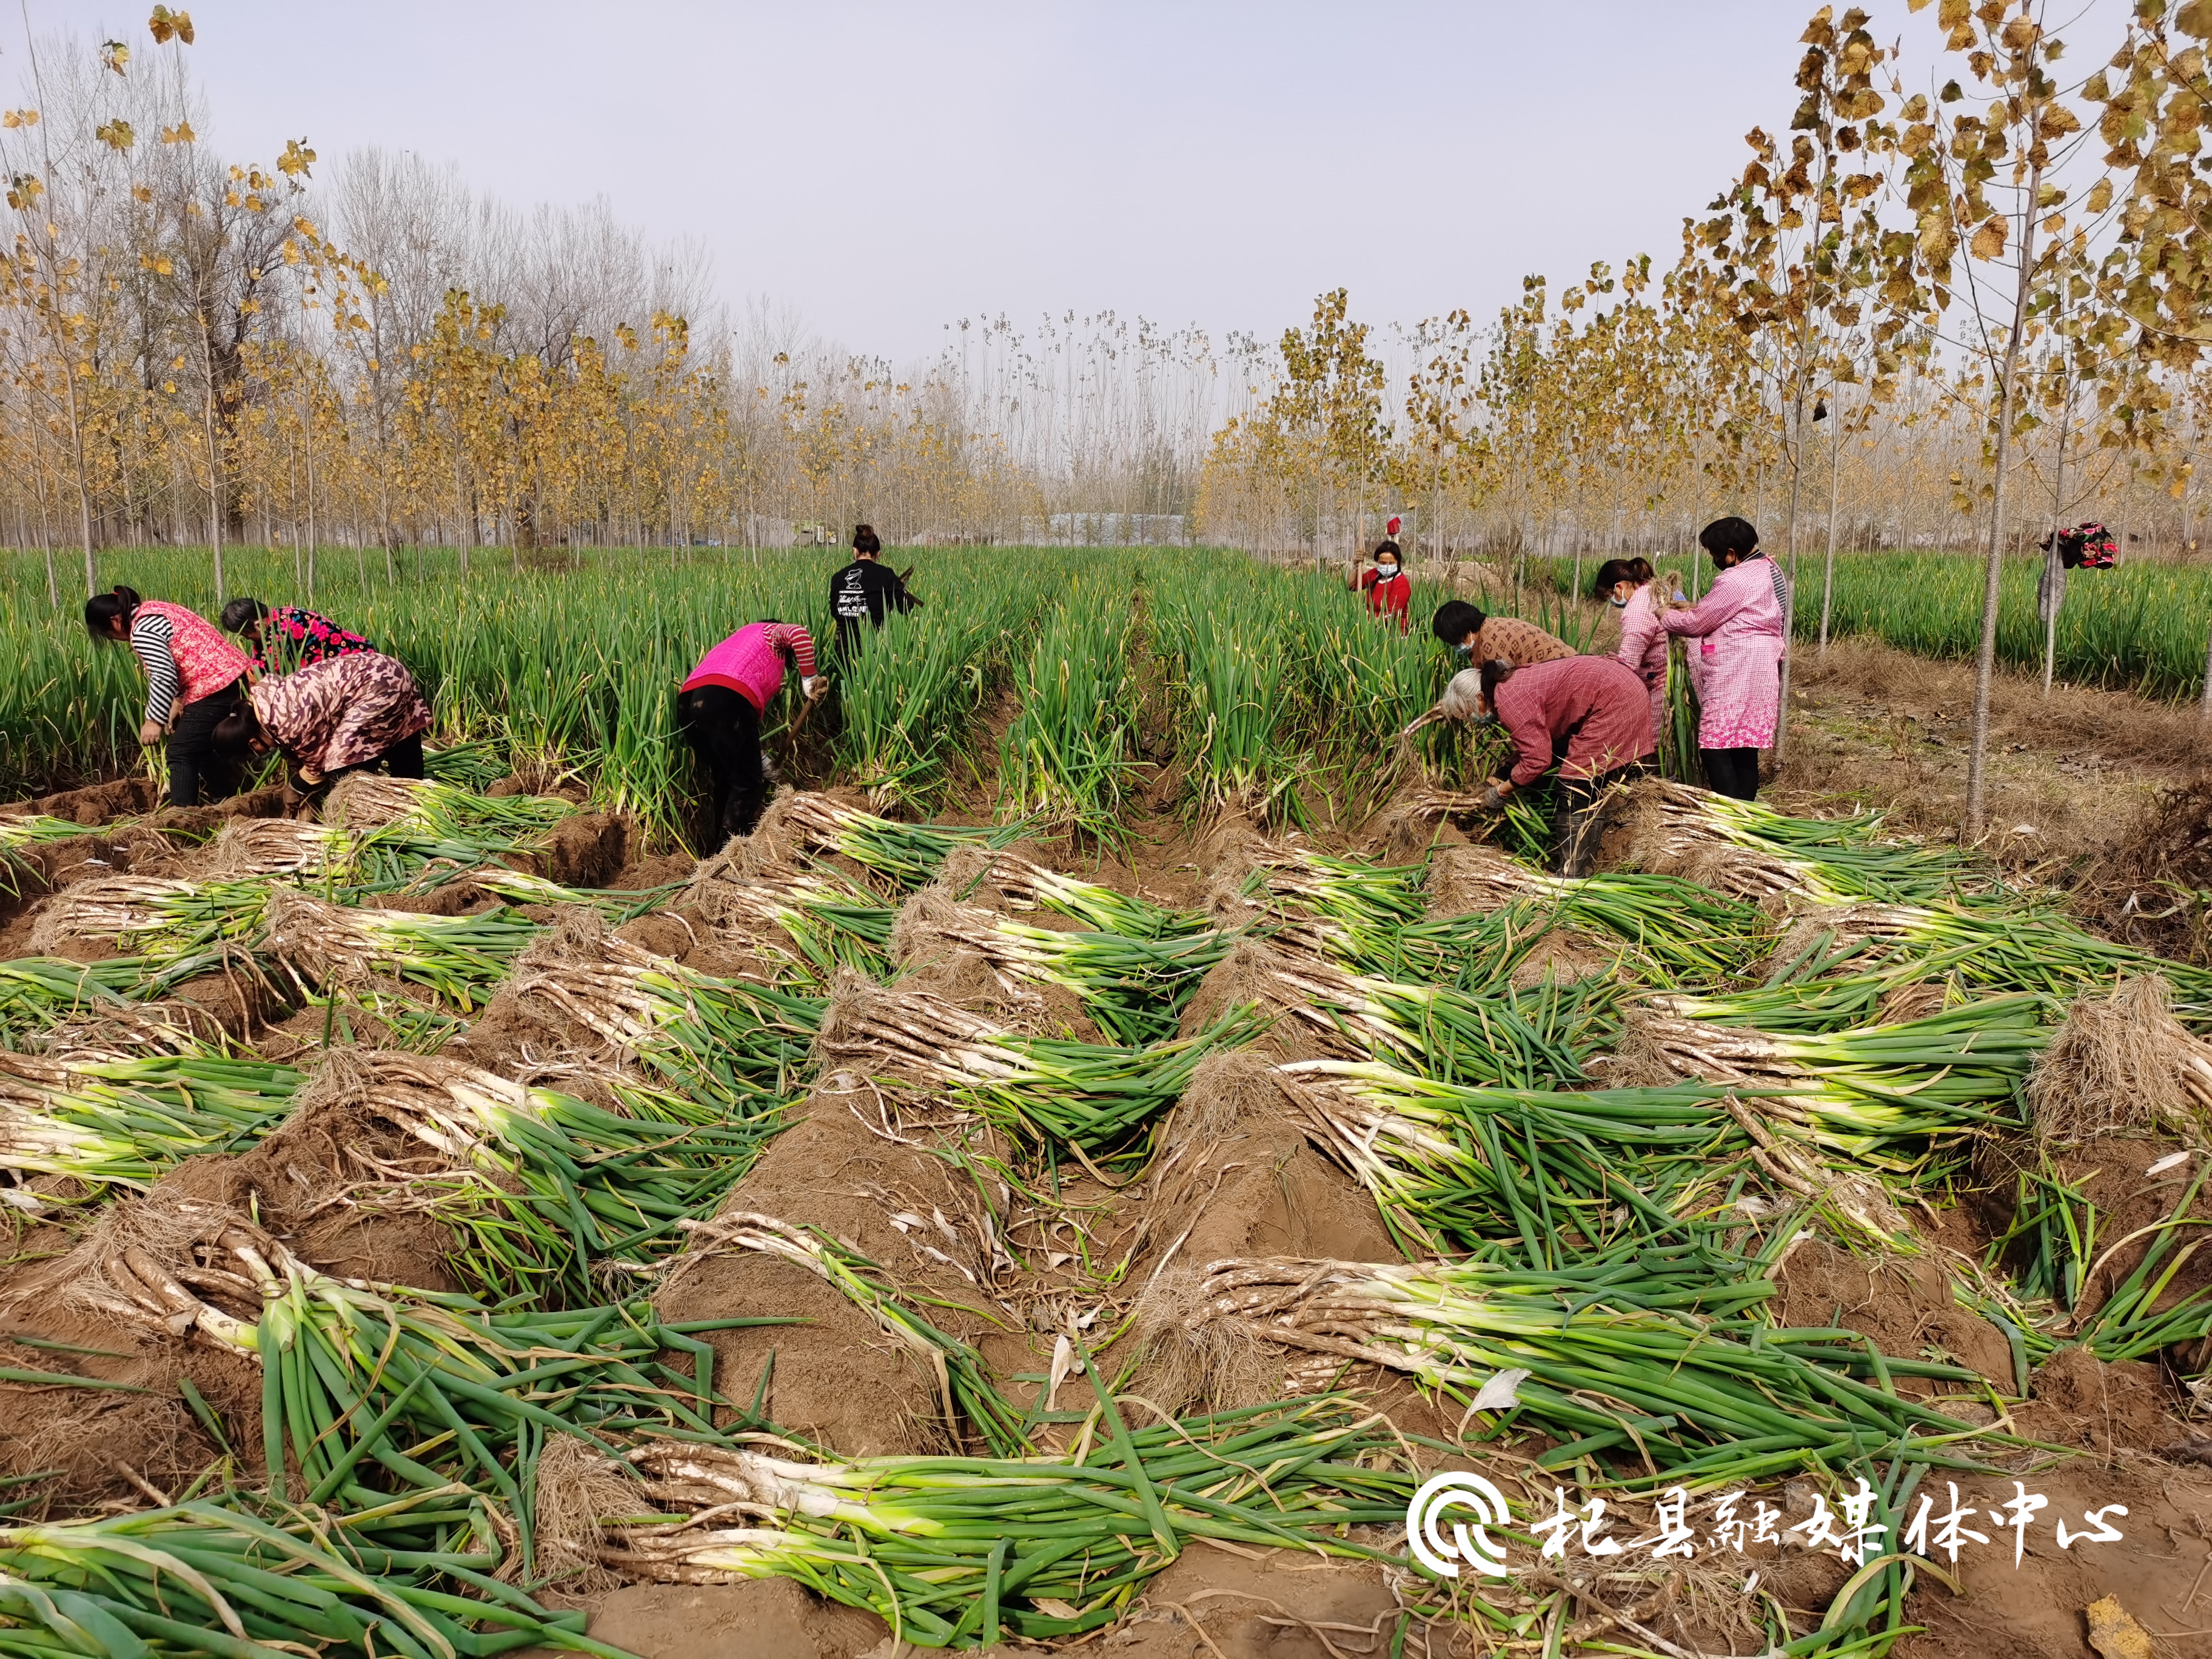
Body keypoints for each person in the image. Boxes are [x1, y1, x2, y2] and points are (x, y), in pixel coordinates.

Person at [1423, 654, 1655, 876]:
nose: (1472, 718)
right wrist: (1496, 778)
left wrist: (1500, 793)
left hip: (1616, 699)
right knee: (1579, 774)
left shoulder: (1509, 701)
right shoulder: (1507, 688)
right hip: (1618, 689)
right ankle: (1582, 862)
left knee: (1575, 783)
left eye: (1468, 712)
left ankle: (1572, 873)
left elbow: (1537, 760)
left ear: (1480, 698)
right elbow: (1539, 745)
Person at [84, 586, 254, 808]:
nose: (117, 640)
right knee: (198, 746)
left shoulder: (142, 630)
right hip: (232, 676)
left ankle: (182, 816)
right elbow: (184, 653)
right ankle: (224, 800)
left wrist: (154, 720)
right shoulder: (156, 609)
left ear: (115, 621)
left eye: (110, 635)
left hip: (216, 684)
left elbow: (164, 673)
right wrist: (178, 700)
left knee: (180, 752)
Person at [1663, 517, 1789, 802]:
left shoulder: (1734, 578)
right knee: (1744, 743)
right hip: (1763, 665)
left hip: (1738, 667)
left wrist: (1666, 616)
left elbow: (1696, 625)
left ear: (1731, 554)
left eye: (1715, 554)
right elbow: (1748, 609)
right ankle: (1747, 810)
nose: (1714, 559)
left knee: (1714, 745)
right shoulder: (1768, 568)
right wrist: (1697, 606)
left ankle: (1730, 814)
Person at [212, 649, 432, 805]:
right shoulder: (265, 701)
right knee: (398, 729)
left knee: (343, 763)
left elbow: (317, 765)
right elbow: (297, 748)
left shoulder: (286, 722)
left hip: (376, 685)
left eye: (254, 753)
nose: (260, 754)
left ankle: (367, 806)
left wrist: (295, 788)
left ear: (253, 742)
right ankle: (412, 786)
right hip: (386, 669)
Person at [678, 619, 827, 844]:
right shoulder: (768, 632)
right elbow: (798, 633)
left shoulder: (737, 640)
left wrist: (759, 758)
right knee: (747, 784)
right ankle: (732, 856)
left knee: (727, 779)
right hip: (725, 697)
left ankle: (715, 852)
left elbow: (735, 734)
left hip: (689, 704)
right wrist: (809, 679)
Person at [1597, 557, 1668, 736]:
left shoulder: (1637, 609)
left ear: (1619, 587)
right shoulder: (1659, 590)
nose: (1612, 601)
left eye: (1609, 596)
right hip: (1681, 676)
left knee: (1653, 744)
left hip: (1661, 683)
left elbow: (1628, 665)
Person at [218, 598, 377, 678]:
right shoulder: (280, 615)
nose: (247, 639)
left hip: (358, 666)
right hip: (358, 655)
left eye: (247, 635)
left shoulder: (281, 633)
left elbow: (263, 672)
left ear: (258, 624)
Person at [827, 525, 919, 659]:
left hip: (842, 651)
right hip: (874, 651)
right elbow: (905, 608)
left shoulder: (838, 577)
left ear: (855, 551)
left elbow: (835, 612)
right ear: (878, 554)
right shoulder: (886, 575)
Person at [1430, 598, 1575, 669]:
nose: (1455, 647)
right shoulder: (1488, 628)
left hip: (1565, 672)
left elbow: (1503, 691)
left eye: (1456, 642)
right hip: (1568, 665)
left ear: (1468, 631)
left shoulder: (1492, 646)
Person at [1347, 539, 1410, 631]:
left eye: (1391, 563)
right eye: (1383, 563)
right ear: (1378, 562)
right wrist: (1356, 566)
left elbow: (1392, 614)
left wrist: (1370, 622)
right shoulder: (1374, 574)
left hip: (1392, 632)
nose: (1387, 566)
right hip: (1370, 628)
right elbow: (1352, 586)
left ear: (1398, 562)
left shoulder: (1401, 583)